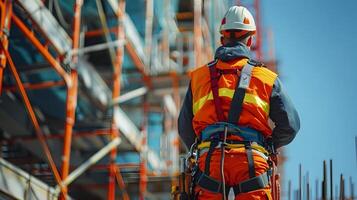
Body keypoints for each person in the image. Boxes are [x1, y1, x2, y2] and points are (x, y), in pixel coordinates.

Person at [178, 5, 300, 200]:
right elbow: (290, 125)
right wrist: (269, 144)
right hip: (252, 162)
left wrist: (203, 147)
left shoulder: (198, 78)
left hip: (211, 161)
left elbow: (185, 128)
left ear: (221, 39)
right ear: (250, 40)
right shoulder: (266, 78)